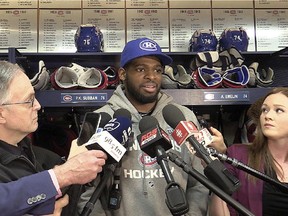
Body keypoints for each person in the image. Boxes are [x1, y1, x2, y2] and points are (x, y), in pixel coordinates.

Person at [77, 37, 223, 216]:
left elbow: (199, 182)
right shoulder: (102, 119)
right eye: (140, 69)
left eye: (157, 70)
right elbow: (85, 190)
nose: (151, 76)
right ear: (122, 74)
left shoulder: (184, 117)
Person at [0, 60, 107, 215]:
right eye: (29, 101)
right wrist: (62, 176)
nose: (37, 105)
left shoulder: (39, 156)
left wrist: (71, 170)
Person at [209, 87, 288, 216]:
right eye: (264, 110)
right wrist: (216, 169)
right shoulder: (237, 156)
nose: (267, 116)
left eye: (278, 110)